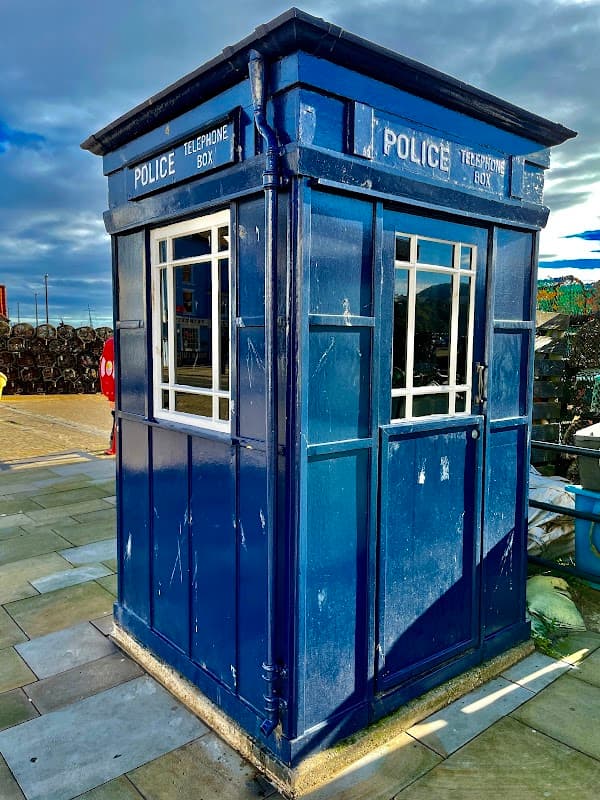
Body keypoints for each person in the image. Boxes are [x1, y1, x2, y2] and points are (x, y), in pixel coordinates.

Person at [99, 336, 116, 455]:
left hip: (114, 391)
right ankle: (114, 445)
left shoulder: (110, 343)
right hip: (119, 390)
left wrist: (109, 394)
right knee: (117, 417)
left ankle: (114, 445)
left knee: (116, 417)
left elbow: (106, 373)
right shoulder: (113, 342)